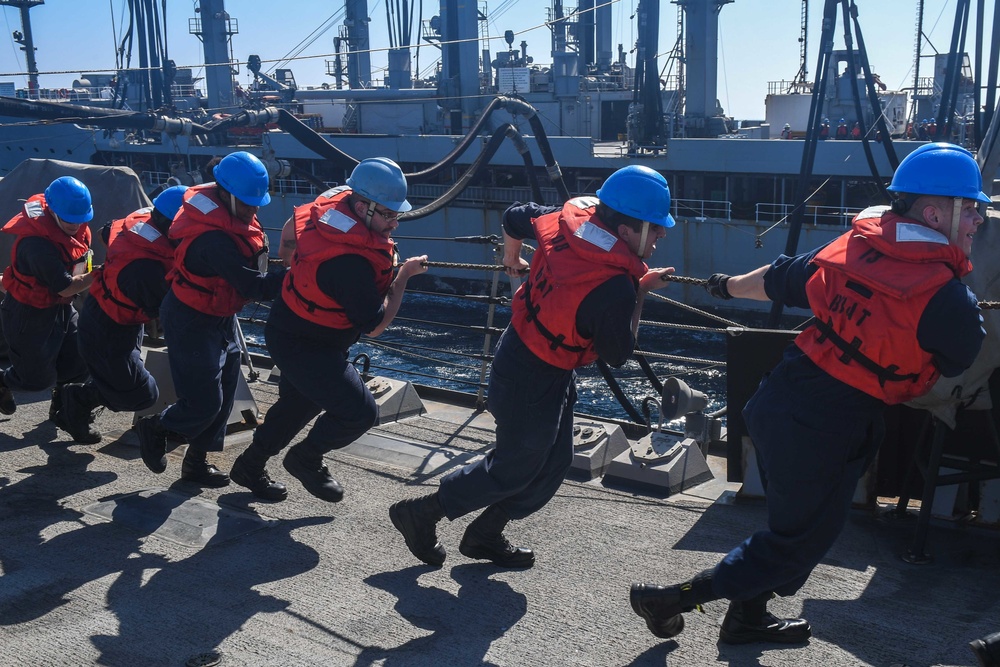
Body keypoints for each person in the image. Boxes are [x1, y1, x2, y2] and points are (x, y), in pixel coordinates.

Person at [629, 142, 988, 645]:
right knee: (796, 542)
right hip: (828, 427)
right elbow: (958, 358)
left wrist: (724, 286)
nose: (978, 220)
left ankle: (747, 618)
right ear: (933, 213)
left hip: (778, 401)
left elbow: (777, 279)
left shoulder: (851, 250)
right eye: (971, 208)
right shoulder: (949, 300)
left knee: (796, 525)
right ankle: (670, 597)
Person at [388, 165, 675, 568]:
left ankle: (485, 535)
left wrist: (512, 258)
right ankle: (420, 512)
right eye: (655, 227)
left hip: (526, 353)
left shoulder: (565, 222)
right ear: (628, 229)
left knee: (553, 463)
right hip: (532, 374)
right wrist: (641, 290)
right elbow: (618, 353)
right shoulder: (615, 288)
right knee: (512, 467)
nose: (662, 233)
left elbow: (514, 217)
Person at [229, 157, 427, 502]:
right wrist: (404, 276)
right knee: (359, 411)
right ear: (363, 207)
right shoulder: (349, 263)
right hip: (306, 343)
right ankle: (306, 458)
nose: (395, 223)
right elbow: (376, 326)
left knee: (298, 406)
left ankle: (249, 465)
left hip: (295, 326)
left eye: (398, 215)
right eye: (389, 215)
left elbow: (291, 237)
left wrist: (297, 265)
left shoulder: (338, 202)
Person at [134, 152, 285, 486]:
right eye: (247, 203)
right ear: (226, 195)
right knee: (204, 401)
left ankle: (196, 463)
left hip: (220, 313)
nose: (253, 210)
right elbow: (252, 285)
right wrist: (299, 276)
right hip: (191, 318)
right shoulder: (213, 239)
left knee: (227, 390)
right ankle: (156, 427)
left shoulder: (234, 218)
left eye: (256, 203)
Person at [57, 186, 187, 444]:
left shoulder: (142, 224)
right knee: (142, 396)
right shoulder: (145, 269)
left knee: (128, 381)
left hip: (118, 317)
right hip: (107, 330)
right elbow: (169, 311)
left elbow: (107, 231)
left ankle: (78, 399)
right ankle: (77, 400)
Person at [0, 176, 97, 422]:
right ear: (52, 211)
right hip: (28, 313)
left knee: (79, 361)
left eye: (81, 219)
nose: (75, 225)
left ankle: (64, 411)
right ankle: (2, 382)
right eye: (69, 219)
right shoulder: (36, 245)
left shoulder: (72, 228)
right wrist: (102, 273)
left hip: (62, 309)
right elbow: (65, 287)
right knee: (35, 380)